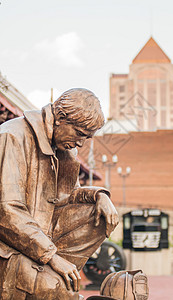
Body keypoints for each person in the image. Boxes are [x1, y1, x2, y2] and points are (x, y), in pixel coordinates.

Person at [0, 88, 119, 300]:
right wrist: (53, 257)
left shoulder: (64, 150)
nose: (81, 143)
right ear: (60, 119)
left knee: (97, 212)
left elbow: (67, 196)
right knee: (61, 292)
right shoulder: (12, 135)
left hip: (44, 240)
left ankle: (59, 275)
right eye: (79, 133)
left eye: (87, 137)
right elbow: (7, 211)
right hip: (10, 249)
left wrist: (100, 195)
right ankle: (54, 278)